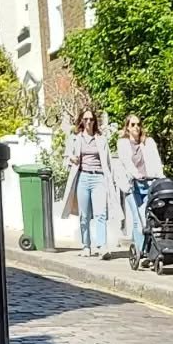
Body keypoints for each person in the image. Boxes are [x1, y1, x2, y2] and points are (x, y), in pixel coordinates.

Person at [63, 106, 115, 257]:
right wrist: (71, 158)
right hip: (82, 177)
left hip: (98, 177)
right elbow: (66, 157)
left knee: (100, 213)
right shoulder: (75, 138)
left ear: (94, 122)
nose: (88, 122)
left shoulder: (101, 139)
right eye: (85, 119)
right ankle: (86, 246)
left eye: (91, 119)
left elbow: (108, 161)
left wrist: (110, 178)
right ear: (81, 121)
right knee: (84, 215)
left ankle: (102, 246)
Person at [113, 113, 164, 258]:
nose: (136, 127)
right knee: (137, 218)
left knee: (147, 216)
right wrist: (136, 175)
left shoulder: (149, 142)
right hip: (131, 184)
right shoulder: (122, 143)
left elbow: (156, 161)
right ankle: (141, 252)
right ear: (127, 128)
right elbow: (126, 162)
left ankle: (142, 248)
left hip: (148, 183)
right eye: (133, 125)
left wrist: (160, 177)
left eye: (138, 124)